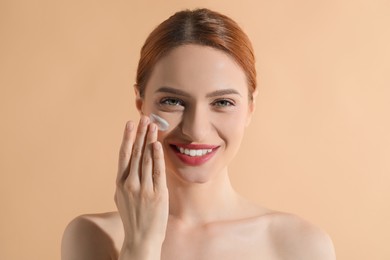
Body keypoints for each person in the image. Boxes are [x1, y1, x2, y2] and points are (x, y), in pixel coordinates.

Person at [61, 8, 336, 260]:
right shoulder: (94, 236)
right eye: (173, 101)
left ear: (250, 109)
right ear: (140, 103)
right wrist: (140, 245)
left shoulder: (301, 246)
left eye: (223, 102)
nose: (196, 130)